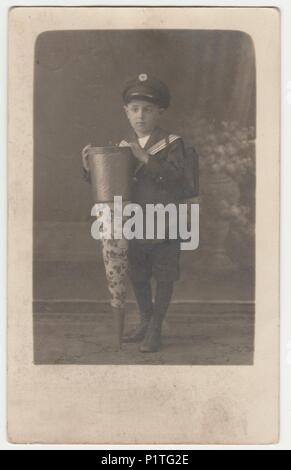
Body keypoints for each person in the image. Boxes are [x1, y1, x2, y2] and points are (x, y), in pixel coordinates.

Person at [120, 73, 188, 353]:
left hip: (164, 221)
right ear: (126, 112)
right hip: (135, 221)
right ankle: (146, 320)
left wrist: (144, 158)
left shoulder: (173, 143)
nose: (140, 115)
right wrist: (89, 164)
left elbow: (178, 179)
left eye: (147, 110)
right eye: (134, 109)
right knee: (137, 273)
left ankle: (157, 326)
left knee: (163, 274)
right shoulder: (124, 145)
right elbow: (111, 181)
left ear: (160, 112)